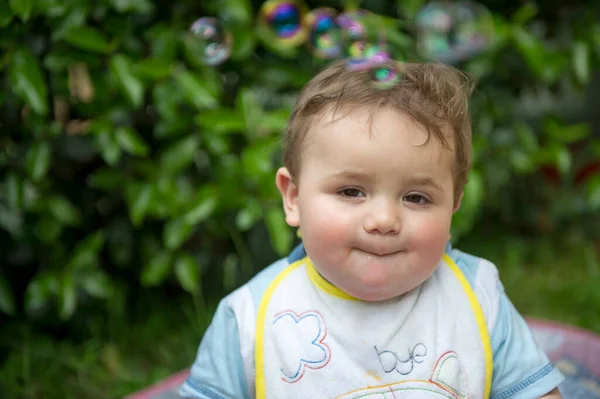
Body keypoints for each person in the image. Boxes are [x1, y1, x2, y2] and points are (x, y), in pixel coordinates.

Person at [179, 59, 565, 398]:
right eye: (351, 191)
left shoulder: (478, 295)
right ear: (294, 198)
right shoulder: (250, 318)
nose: (383, 221)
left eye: (416, 198)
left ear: (454, 203)